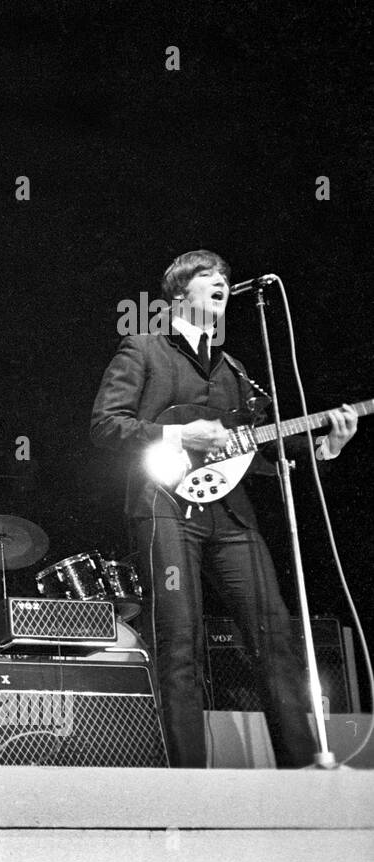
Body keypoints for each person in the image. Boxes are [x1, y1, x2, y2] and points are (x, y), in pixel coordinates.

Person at [90, 249, 358, 768]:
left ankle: (303, 766)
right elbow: (106, 425)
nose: (220, 284)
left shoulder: (235, 369)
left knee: (274, 634)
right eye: (208, 278)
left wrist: (327, 446)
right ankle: (192, 781)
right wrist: (175, 432)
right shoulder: (143, 349)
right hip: (163, 507)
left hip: (232, 515)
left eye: (223, 279)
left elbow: (270, 442)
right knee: (179, 640)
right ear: (177, 295)